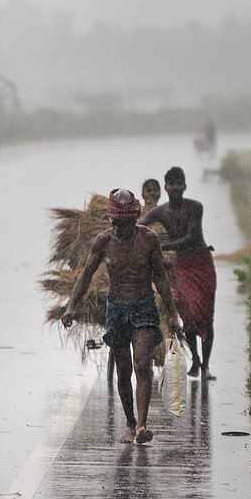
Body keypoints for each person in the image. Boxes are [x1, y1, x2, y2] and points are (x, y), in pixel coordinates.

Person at [62, 188, 183, 444]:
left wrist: (172, 314)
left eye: (125, 223)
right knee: (124, 368)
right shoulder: (103, 242)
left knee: (141, 363)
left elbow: (160, 277)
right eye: (115, 223)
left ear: (134, 219)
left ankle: (142, 425)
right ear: (110, 220)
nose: (119, 228)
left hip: (143, 307)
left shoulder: (148, 240)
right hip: (116, 309)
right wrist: (71, 306)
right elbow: (85, 275)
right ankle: (129, 423)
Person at [142, 166, 217, 380]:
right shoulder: (160, 212)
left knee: (206, 313)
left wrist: (161, 247)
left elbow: (191, 237)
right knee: (188, 311)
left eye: (179, 183)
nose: (175, 187)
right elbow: (141, 224)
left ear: (184, 186)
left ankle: (206, 366)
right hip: (181, 265)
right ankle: (195, 359)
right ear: (165, 187)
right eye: (171, 183)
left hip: (201, 262)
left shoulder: (195, 207)